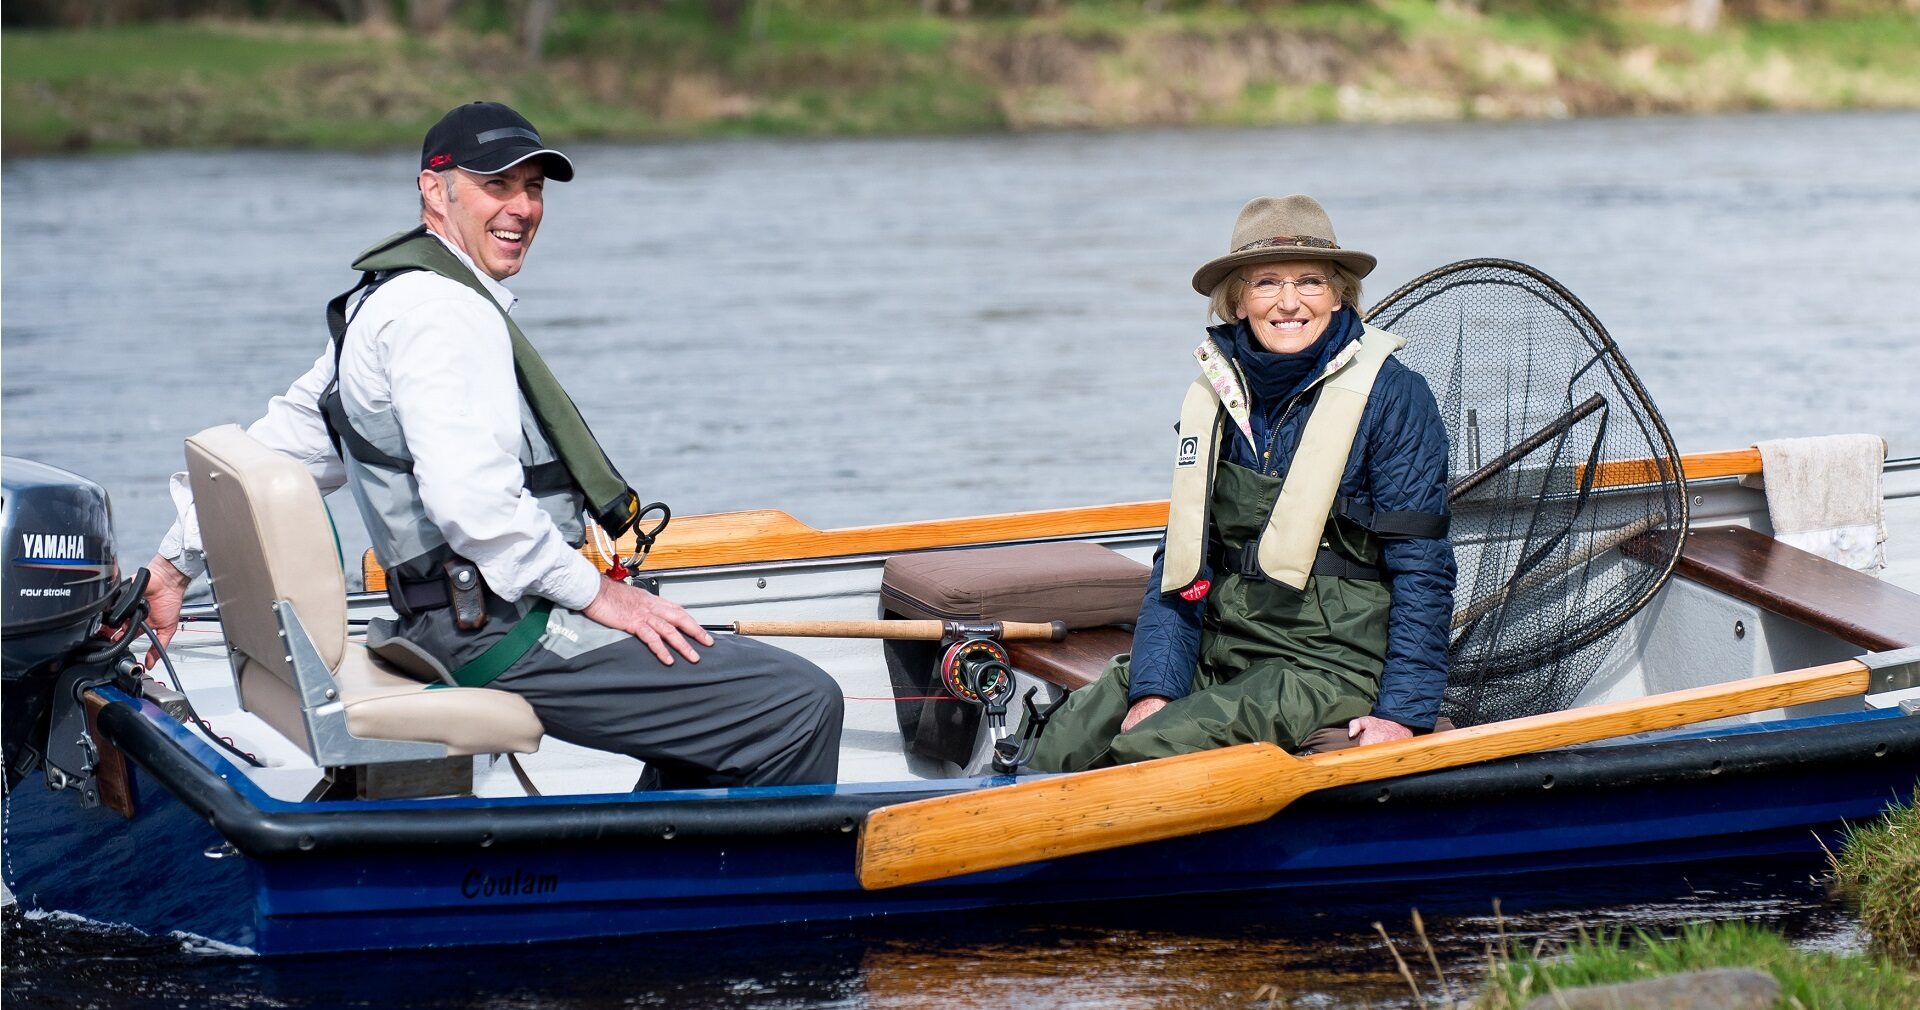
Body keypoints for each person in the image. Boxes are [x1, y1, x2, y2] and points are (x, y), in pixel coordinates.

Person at [141, 101, 842, 789]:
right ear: (434, 190)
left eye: (533, 188)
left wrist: (171, 570)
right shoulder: (441, 313)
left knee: (717, 702)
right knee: (794, 704)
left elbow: (286, 446)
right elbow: (476, 511)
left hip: (443, 622)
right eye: (496, 184)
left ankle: (661, 860)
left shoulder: (384, 300)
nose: (523, 208)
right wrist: (601, 596)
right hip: (498, 635)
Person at [1028, 195, 1454, 771]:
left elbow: (1424, 567)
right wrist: (1154, 688)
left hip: (1329, 660)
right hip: (1222, 641)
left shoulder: (1395, 396)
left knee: (1149, 751)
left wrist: (1402, 714)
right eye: (1266, 283)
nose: (1289, 303)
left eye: (1310, 282)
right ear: (1236, 301)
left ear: (1339, 295)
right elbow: (1180, 563)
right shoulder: (1216, 397)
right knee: (1065, 738)